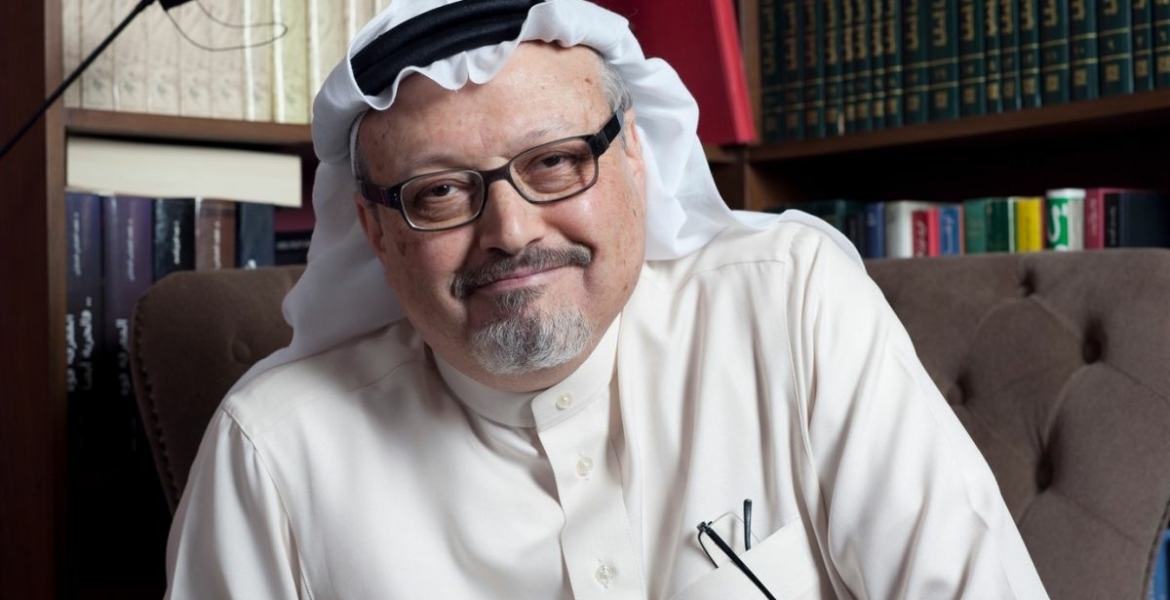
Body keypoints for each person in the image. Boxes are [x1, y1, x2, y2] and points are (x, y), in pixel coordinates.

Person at [164, 0, 1051, 598]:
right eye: (440, 192)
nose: (511, 231)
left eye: (554, 162)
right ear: (375, 227)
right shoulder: (273, 451)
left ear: (633, 158)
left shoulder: (789, 305)